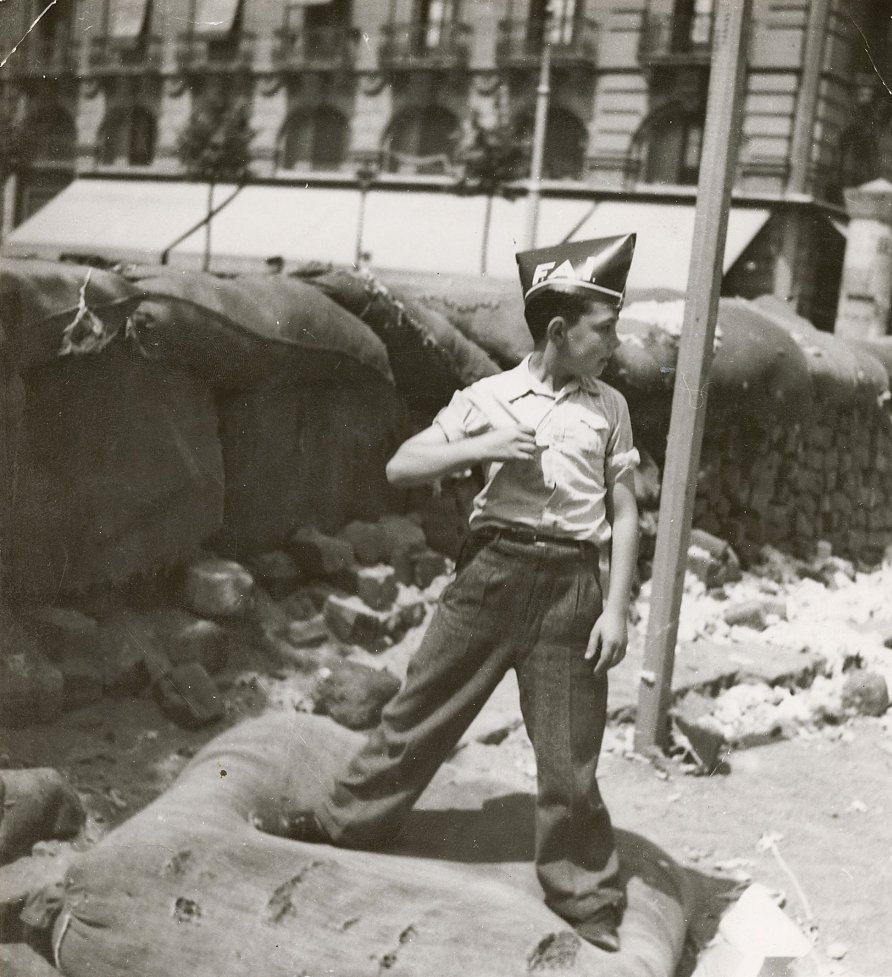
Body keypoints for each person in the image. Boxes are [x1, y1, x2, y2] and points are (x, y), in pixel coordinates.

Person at [254, 233, 641, 953]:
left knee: (569, 755)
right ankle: (349, 822)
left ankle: (586, 892)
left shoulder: (610, 405)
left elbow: (624, 510)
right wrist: (480, 448)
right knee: (417, 712)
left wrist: (616, 607)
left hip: (572, 591)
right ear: (559, 330)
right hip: (490, 575)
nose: (614, 343)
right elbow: (405, 465)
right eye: (605, 328)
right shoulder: (489, 397)